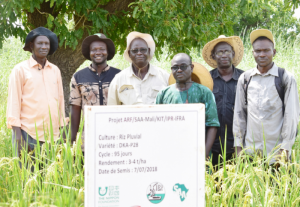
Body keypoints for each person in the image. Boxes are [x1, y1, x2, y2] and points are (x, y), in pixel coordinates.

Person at [233, 29, 299, 163]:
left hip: (277, 155)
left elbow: (291, 116)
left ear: (274, 52)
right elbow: (239, 115)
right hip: (250, 154)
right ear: (253, 53)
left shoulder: (285, 78)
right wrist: (238, 147)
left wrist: (285, 148)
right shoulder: (245, 79)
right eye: (258, 51)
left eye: (266, 50)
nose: (262, 54)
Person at [7, 27, 67, 157]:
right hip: (27, 134)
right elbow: (14, 103)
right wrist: (18, 136)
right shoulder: (20, 70)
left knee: (49, 175)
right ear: (31, 45)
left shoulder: (55, 70)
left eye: (47, 44)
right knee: (28, 174)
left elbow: (60, 100)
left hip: (53, 135)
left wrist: (63, 130)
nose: (44, 46)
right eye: (40, 43)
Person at [156, 53, 220, 159]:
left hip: (198, 151)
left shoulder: (204, 93)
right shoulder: (163, 94)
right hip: (170, 152)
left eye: (183, 66)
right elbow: (157, 125)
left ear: (191, 67)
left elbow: (212, 125)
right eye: (175, 67)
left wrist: (203, 154)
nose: (179, 70)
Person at [69, 33, 121, 153]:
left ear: (107, 52)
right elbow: (75, 109)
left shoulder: (119, 76)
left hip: (114, 135)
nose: (98, 52)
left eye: (102, 49)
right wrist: (73, 140)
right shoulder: (79, 76)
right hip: (87, 136)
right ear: (89, 53)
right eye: (94, 50)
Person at [202, 35, 244, 167]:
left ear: (233, 54)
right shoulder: (207, 79)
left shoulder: (245, 78)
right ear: (214, 56)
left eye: (227, 51)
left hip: (238, 145)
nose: (224, 55)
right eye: (220, 52)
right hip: (211, 144)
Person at [107, 32, 169, 105]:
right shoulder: (119, 79)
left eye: (143, 50)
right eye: (135, 50)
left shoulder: (164, 77)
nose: (139, 53)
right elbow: (112, 110)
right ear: (129, 53)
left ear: (149, 51)